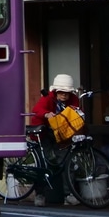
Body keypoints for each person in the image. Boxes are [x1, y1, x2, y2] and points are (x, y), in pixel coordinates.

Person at [29, 73, 82, 206]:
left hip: (61, 133)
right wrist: (47, 114)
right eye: (61, 92)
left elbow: (76, 112)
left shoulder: (74, 100)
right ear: (55, 91)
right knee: (43, 162)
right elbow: (37, 109)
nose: (64, 95)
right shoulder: (48, 98)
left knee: (66, 161)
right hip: (43, 132)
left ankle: (68, 194)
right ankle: (40, 194)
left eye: (67, 93)